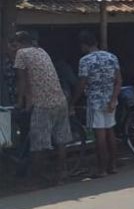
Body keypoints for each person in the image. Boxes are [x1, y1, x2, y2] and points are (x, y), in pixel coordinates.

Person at [11, 31, 72, 184]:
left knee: (38, 144)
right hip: (60, 99)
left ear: (19, 43)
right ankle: (62, 173)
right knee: (60, 140)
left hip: (43, 104)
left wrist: (20, 103)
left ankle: (36, 179)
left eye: (15, 45)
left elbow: (22, 81)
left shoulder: (22, 53)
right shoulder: (41, 51)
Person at [71, 31, 121, 177]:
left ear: (84, 45)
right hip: (111, 100)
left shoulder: (85, 61)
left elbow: (81, 84)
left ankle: (102, 169)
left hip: (94, 101)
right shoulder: (112, 57)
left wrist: (73, 102)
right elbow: (119, 80)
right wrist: (113, 99)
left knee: (99, 136)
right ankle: (113, 165)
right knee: (110, 132)